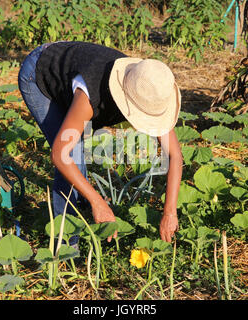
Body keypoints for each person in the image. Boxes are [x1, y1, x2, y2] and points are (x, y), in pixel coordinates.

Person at [18, 41, 182, 244]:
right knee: (72, 155)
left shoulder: (149, 89)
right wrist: (98, 202)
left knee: (75, 150)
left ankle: (83, 210)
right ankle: (65, 247)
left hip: (74, 69)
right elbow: (60, 155)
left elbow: (174, 155)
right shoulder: (91, 94)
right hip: (39, 74)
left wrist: (170, 212)